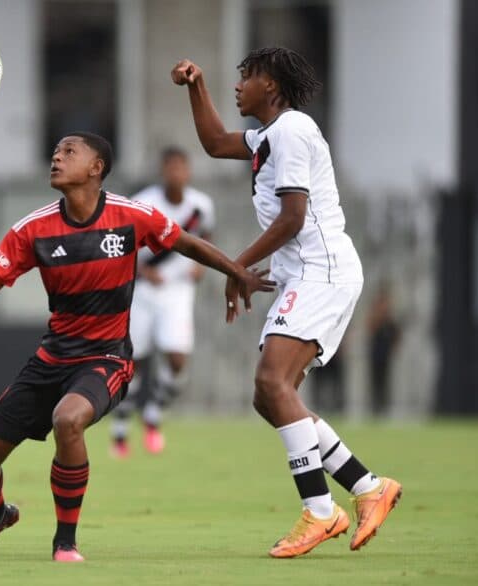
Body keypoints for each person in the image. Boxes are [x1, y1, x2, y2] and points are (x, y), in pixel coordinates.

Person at [0, 132, 274, 562]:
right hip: (51, 359)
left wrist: (237, 271)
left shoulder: (132, 216)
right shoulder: (32, 229)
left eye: (69, 151)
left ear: (96, 168)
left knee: (68, 420)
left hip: (107, 357)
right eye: (55, 151)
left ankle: (64, 542)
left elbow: (188, 244)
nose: (57, 156)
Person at [172, 47, 402, 558]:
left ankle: (320, 511)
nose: (238, 86)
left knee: (272, 383)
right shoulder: (269, 136)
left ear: (271, 88)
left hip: (321, 271)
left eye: (246, 77)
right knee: (272, 397)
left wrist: (236, 265)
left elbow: (293, 217)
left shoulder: (293, 130)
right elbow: (212, 142)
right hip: (304, 273)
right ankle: (367, 487)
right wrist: (196, 85)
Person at [110, 147, 215, 456]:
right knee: (135, 362)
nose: (176, 174)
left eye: (182, 167)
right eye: (171, 168)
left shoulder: (201, 206)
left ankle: (154, 415)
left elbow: (206, 238)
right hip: (143, 290)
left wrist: (200, 265)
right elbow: (122, 245)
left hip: (179, 291)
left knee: (177, 358)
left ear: (189, 171)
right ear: (163, 171)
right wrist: (141, 269)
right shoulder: (145, 202)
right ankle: (120, 429)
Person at [367, 283, 401, 415]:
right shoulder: (376, 316)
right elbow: (370, 329)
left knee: (385, 381)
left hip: (385, 354)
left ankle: (384, 406)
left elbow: (396, 333)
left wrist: (394, 347)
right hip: (375, 353)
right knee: (375, 381)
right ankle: (375, 406)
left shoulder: (389, 320)